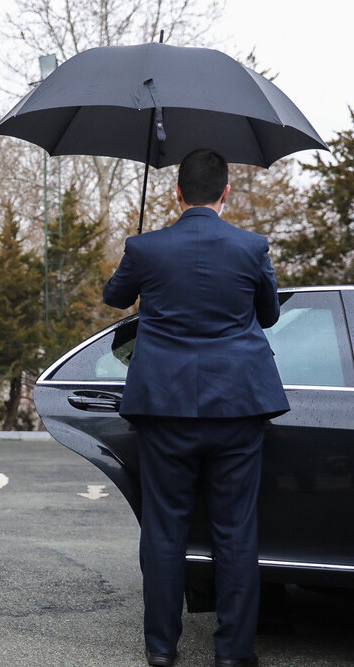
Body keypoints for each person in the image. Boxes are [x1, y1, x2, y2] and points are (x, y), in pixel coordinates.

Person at [103, 149, 289, 667]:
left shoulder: (146, 247)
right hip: (238, 405)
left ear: (176, 193)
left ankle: (161, 651)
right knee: (235, 531)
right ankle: (233, 653)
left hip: (164, 405)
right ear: (226, 193)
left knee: (164, 529)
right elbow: (269, 315)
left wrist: (142, 262)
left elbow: (115, 298)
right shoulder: (252, 247)